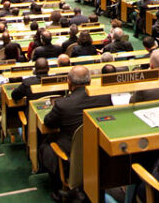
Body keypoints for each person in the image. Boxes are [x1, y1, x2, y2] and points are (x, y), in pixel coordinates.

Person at [39, 66, 112, 196]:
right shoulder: (105, 97)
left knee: (46, 145)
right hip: (100, 149)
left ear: (69, 82)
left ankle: (57, 188)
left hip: (72, 155)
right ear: (89, 81)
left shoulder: (63, 104)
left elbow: (48, 122)